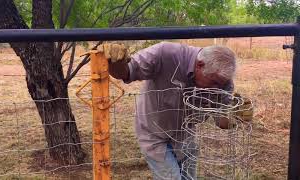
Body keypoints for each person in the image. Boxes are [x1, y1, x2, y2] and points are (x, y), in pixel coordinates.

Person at [98, 42, 237, 179]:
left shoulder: (223, 83)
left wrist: (236, 116)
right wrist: (115, 63)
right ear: (199, 66)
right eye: (214, 82)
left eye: (221, 84)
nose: (217, 88)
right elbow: (127, 71)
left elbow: (222, 121)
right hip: (153, 133)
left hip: (185, 135)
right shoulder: (166, 54)